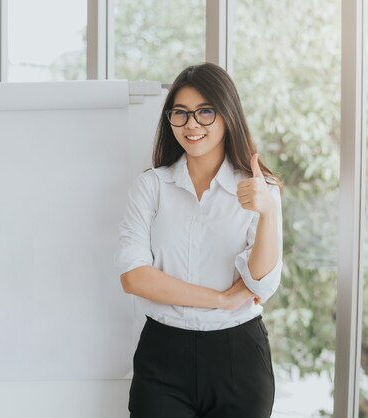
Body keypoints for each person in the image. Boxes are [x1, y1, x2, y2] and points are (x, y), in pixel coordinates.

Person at [114, 62, 283, 418]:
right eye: (181, 113)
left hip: (238, 356)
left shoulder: (259, 190)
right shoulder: (152, 187)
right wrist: (221, 299)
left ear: (227, 114)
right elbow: (134, 277)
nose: (192, 124)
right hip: (163, 355)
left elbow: (261, 284)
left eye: (205, 111)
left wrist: (267, 213)